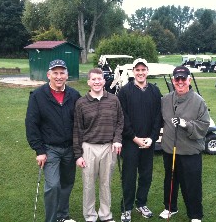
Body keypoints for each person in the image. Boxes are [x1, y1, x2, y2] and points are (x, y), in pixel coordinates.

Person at [25, 59, 81, 222]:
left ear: (67, 75)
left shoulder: (74, 95)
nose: (58, 76)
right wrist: (39, 151)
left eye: (62, 73)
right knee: (53, 185)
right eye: (55, 73)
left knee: (67, 184)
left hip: (70, 148)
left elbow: (79, 122)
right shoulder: (37, 96)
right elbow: (31, 124)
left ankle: (63, 216)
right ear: (48, 75)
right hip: (50, 149)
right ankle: (51, 219)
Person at [159, 66, 210, 222]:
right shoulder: (166, 99)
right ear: (173, 81)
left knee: (192, 184)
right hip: (170, 149)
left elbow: (204, 125)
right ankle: (170, 208)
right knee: (170, 180)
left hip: (190, 151)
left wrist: (185, 124)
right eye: (177, 79)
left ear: (189, 80)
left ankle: (195, 214)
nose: (180, 82)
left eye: (183, 79)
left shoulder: (198, 101)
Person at [73, 68, 124, 222]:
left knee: (105, 183)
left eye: (99, 79)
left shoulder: (113, 99)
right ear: (88, 82)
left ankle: (105, 214)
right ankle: (90, 215)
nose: (96, 82)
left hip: (109, 147)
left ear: (104, 81)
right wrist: (78, 155)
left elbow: (120, 121)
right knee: (89, 184)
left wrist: (117, 139)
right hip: (89, 147)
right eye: (93, 79)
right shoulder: (81, 103)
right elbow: (77, 129)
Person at [117, 58, 162, 222]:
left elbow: (158, 117)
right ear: (133, 71)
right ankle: (126, 208)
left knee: (146, 176)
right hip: (130, 142)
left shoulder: (155, 91)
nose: (141, 72)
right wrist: (134, 138)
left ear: (147, 71)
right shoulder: (124, 91)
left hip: (148, 143)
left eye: (143, 70)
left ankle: (141, 203)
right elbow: (123, 118)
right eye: (138, 70)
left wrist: (152, 138)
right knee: (129, 177)